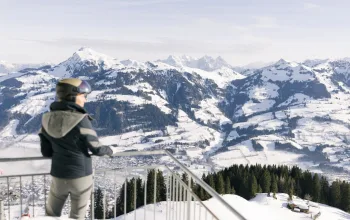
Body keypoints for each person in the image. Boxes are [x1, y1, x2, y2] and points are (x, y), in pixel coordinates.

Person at [38, 78, 116, 219]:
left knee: (50, 215)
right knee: (77, 216)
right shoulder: (80, 119)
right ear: (73, 96)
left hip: (58, 175)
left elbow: (46, 151)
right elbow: (96, 148)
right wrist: (110, 150)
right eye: (83, 96)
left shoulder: (46, 118)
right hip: (81, 176)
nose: (85, 100)